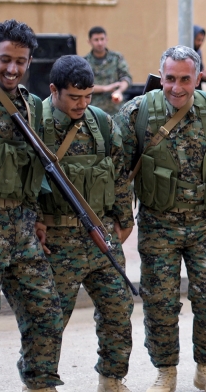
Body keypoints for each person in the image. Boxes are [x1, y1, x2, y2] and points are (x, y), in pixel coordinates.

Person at [116, 46, 206, 392]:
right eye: (170, 79)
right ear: (161, 77)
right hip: (158, 225)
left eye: (185, 80)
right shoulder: (137, 113)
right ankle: (166, 371)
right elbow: (118, 173)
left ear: (199, 78)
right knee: (160, 302)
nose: (176, 87)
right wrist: (123, 219)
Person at [0, 20, 65, 392]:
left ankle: (40, 384)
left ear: (30, 62)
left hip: (22, 229)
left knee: (46, 310)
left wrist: (36, 217)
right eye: (5, 59)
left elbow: (34, 170)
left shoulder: (32, 106)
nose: (12, 68)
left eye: (20, 61)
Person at [38, 55, 134, 392]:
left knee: (118, 309)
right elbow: (24, 182)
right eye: (74, 97)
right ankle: (40, 384)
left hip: (100, 236)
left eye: (88, 96)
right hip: (56, 241)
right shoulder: (35, 124)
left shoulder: (102, 124)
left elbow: (119, 175)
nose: (82, 104)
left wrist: (124, 220)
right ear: (54, 90)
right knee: (48, 320)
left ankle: (112, 379)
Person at [85, 26, 132, 116]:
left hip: (115, 109)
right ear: (89, 42)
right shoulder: (85, 62)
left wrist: (119, 91)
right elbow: (84, 86)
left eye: (102, 39)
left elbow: (126, 78)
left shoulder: (116, 58)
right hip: (94, 110)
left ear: (106, 39)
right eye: (96, 40)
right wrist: (105, 88)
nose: (100, 43)